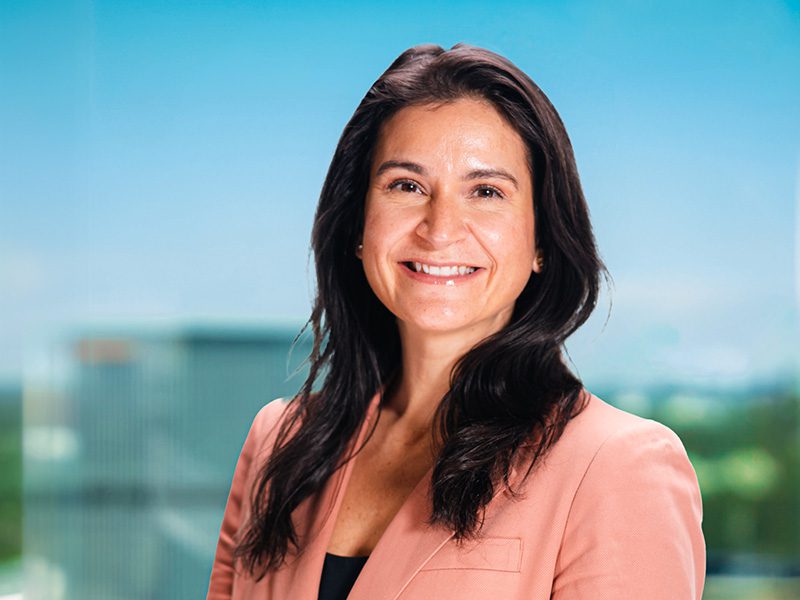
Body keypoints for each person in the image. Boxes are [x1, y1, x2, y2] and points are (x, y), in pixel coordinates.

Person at [206, 42, 706, 600]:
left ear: (542, 240)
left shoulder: (617, 467)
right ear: (357, 225)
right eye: (407, 185)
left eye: (486, 191)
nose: (440, 229)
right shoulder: (281, 441)